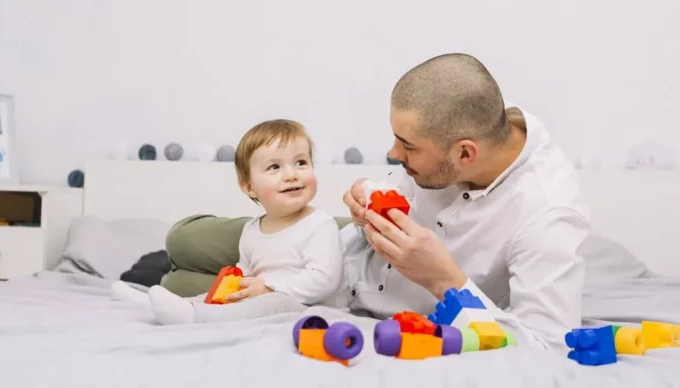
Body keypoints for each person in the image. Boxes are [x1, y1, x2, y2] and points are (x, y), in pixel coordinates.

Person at [341, 53, 590, 352]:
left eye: (407, 146)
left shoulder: (548, 215)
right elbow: (400, 186)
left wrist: (442, 279)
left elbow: (550, 347)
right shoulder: (470, 117)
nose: (394, 154)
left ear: (465, 155)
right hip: (340, 266)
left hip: (393, 324)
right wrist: (365, 201)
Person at [111, 119, 346, 324]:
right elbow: (244, 272)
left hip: (305, 307)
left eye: (301, 163)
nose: (292, 174)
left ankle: (196, 316)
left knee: (272, 302)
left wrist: (268, 287)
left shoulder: (320, 224)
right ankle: (154, 304)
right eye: (274, 166)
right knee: (222, 294)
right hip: (262, 295)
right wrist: (234, 288)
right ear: (249, 187)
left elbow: (324, 280)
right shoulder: (252, 229)